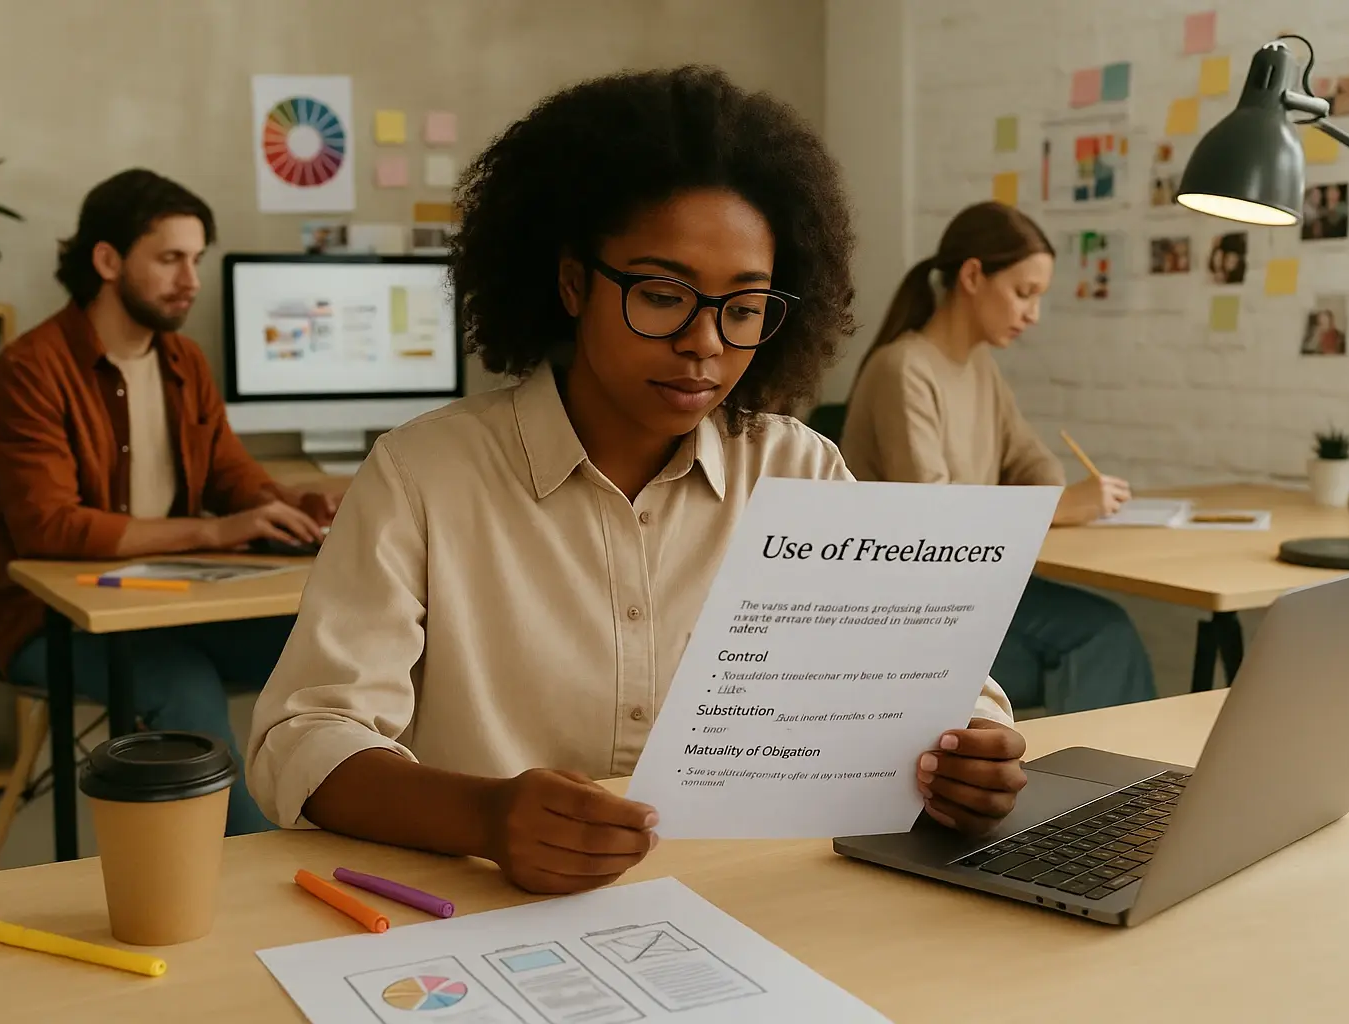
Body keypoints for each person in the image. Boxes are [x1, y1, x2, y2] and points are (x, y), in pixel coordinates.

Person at [247, 67, 1030, 895]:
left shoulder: (798, 471)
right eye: (661, 295)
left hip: (751, 901)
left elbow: (935, 688)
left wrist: (971, 756)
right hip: (482, 920)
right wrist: (482, 817)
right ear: (573, 282)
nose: (704, 342)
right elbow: (304, 739)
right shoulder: (424, 476)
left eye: (744, 306)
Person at [0, 169, 340, 836]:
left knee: (336, 638)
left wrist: (292, 506)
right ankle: (255, 876)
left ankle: (368, 826)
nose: (191, 279)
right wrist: (217, 531)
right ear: (107, 260)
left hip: (167, 604)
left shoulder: (185, 363)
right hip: (50, 622)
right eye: (171, 258)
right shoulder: (30, 369)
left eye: (196, 259)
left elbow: (232, 476)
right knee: (181, 684)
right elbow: (48, 526)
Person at [839, 201, 1156, 715]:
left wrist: (1049, 496)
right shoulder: (904, 370)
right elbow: (933, 520)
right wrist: (1056, 508)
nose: (1032, 313)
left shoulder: (980, 367)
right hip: (913, 610)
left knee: (1109, 627)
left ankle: (1112, 784)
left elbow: (1033, 462)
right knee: (1101, 637)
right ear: (972, 276)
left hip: (975, 586)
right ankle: (1102, 786)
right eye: (1023, 293)